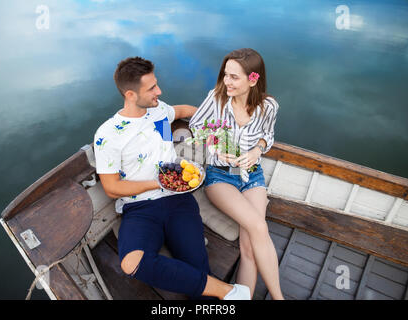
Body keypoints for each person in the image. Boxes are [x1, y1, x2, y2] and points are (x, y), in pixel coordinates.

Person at [93, 56, 250, 300]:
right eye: (152, 88)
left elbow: (183, 111)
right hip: (140, 208)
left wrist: (214, 121)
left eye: (157, 84)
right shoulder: (108, 134)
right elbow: (112, 188)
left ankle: (219, 294)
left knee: (198, 273)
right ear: (130, 95)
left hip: (179, 201)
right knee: (132, 264)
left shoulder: (158, 110)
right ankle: (229, 292)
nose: (160, 91)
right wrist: (158, 183)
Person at [189, 48, 284, 300]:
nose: (226, 82)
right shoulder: (216, 98)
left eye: (234, 77)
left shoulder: (269, 106)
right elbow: (195, 126)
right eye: (225, 75)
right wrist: (216, 144)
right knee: (257, 226)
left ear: (253, 79)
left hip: (252, 175)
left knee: (249, 248)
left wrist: (257, 150)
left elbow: (268, 135)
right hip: (220, 177)